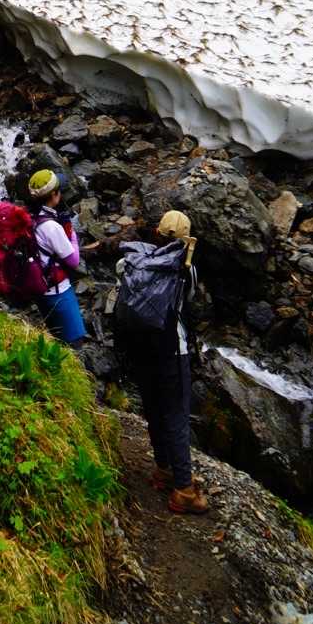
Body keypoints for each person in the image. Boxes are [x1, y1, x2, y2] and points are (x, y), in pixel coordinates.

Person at [113, 209, 209, 515]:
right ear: (186, 240)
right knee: (176, 415)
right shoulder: (186, 270)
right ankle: (184, 489)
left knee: (154, 409)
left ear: (156, 233)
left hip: (141, 348)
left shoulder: (133, 261)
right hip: (171, 350)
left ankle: (163, 469)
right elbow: (187, 301)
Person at [26, 168, 87, 346]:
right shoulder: (51, 227)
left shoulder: (31, 217)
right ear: (54, 195)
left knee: (57, 338)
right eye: (59, 190)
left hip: (40, 288)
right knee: (75, 342)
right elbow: (74, 261)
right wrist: (72, 235)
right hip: (58, 292)